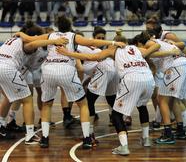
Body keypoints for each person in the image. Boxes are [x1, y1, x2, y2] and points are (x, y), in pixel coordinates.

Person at [17, 16, 125, 149]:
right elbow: (92, 41)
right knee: (83, 104)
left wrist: (21, 33)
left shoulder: (51, 35)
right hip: (66, 70)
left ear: (57, 26)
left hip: (48, 70)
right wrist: (113, 43)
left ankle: (45, 139)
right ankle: (87, 139)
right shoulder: (73, 36)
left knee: (47, 105)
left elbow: (29, 40)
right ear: (70, 26)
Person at [56, 33, 162, 155]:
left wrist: (67, 53)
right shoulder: (136, 49)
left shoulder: (111, 49)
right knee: (140, 106)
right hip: (148, 79)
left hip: (127, 77)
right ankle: (146, 138)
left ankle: (117, 144)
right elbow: (157, 46)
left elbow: (91, 58)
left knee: (107, 110)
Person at [0, 26, 67, 143]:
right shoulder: (26, 43)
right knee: (27, 100)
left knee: (8, 97)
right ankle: (30, 135)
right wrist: (54, 41)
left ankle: (1, 126)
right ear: (35, 37)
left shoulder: (17, 39)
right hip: (7, 68)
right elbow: (31, 45)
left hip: (4, 66)